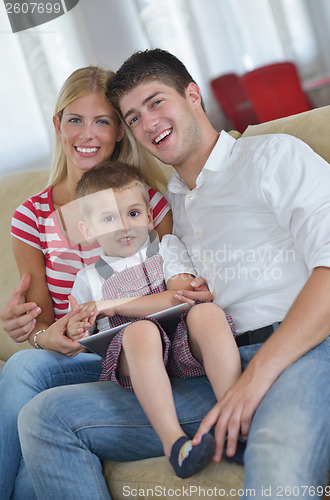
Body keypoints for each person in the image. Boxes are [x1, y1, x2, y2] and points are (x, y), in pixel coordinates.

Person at [17, 48, 330, 499]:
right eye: (132, 117)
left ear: (192, 95)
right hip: (211, 368)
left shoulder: (271, 155)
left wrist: (256, 378)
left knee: (278, 460)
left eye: (156, 102)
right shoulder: (168, 211)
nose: (147, 123)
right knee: (44, 417)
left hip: (305, 351)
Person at [0, 65, 173, 499]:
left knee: (28, 471)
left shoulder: (147, 201)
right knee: (23, 364)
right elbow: (40, 325)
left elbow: (175, 282)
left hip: (141, 351)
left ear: (119, 131)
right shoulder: (31, 216)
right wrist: (39, 334)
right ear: (58, 125)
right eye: (75, 119)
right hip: (80, 358)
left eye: (102, 121)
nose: (87, 134)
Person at [66, 160, 241, 478]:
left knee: (207, 313)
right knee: (141, 332)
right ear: (87, 231)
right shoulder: (87, 279)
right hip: (133, 356)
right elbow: (83, 336)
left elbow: (179, 296)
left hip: (181, 344)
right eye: (108, 218)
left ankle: (236, 421)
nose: (124, 226)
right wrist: (77, 325)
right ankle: (175, 444)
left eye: (133, 213)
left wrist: (114, 304)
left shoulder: (168, 248)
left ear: (149, 216)